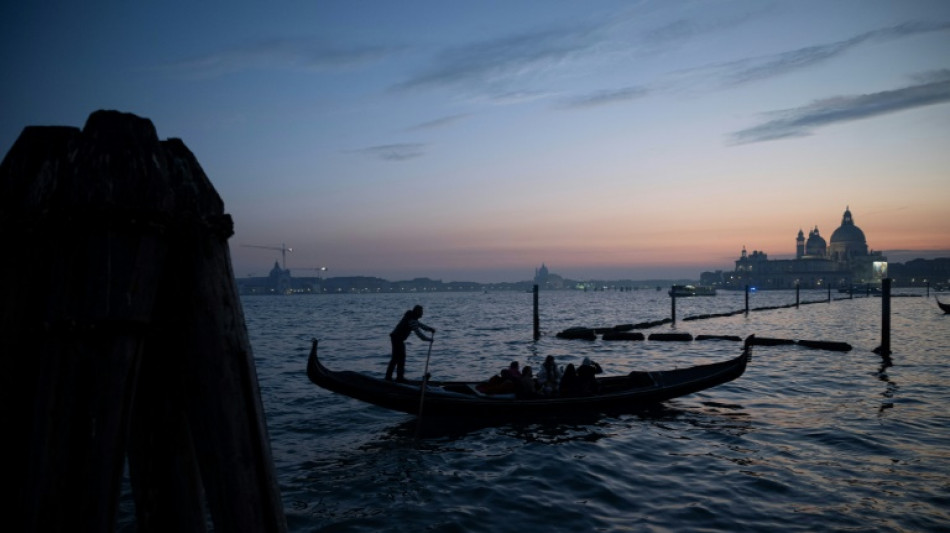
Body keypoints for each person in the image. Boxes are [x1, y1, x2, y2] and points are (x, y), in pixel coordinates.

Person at [386, 305, 435, 382]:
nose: (422, 314)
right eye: (421, 312)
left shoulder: (412, 318)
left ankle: (396, 377)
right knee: (398, 358)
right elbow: (420, 335)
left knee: (398, 358)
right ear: (417, 312)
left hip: (397, 338)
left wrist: (430, 329)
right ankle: (395, 378)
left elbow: (421, 325)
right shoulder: (411, 320)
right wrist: (429, 339)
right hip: (397, 339)